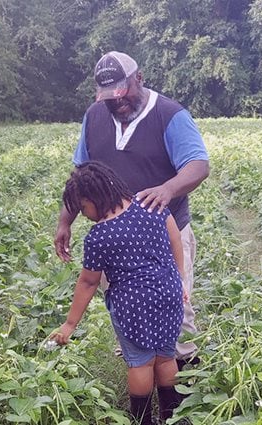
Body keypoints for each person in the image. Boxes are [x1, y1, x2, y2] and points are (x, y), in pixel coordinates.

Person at [54, 51, 209, 370]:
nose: (118, 102)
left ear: (139, 78)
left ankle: (183, 378)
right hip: (118, 242)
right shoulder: (94, 117)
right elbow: (80, 175)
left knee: (174, 306)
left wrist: (167, 189)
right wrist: (65, 220)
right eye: (110, 98)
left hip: (165, 234)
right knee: (126, 305)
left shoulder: (169, 114)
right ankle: (138, 358)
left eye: (123, 94)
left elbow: (198, 165)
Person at [50, 161, 187, 424]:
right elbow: (175, 238)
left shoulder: (98, 236)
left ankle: (142, 420)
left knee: (141, 363)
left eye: (83, 207)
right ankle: (172, 415)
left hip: (133, 305)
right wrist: (178, 279)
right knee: (166, 356)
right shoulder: (151, 202)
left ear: (93, 199)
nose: (85, 214)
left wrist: (69, 324)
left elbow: (88, 283)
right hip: (168, 293)